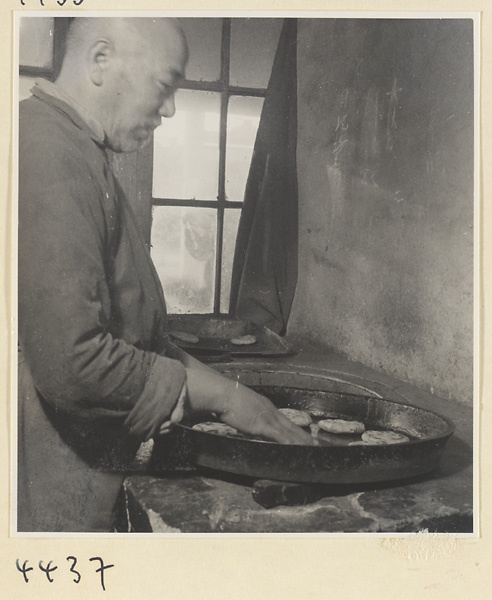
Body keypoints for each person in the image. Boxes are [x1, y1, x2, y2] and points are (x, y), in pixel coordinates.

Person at [17, 17, 312, 532]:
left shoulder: (81, 150)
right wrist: (222, 397)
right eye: (164, 85)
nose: (171, 109)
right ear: (100, 61)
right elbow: (71, 360)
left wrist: (238, 399)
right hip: (45, 477)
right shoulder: (46, 151)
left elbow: (138, 335)